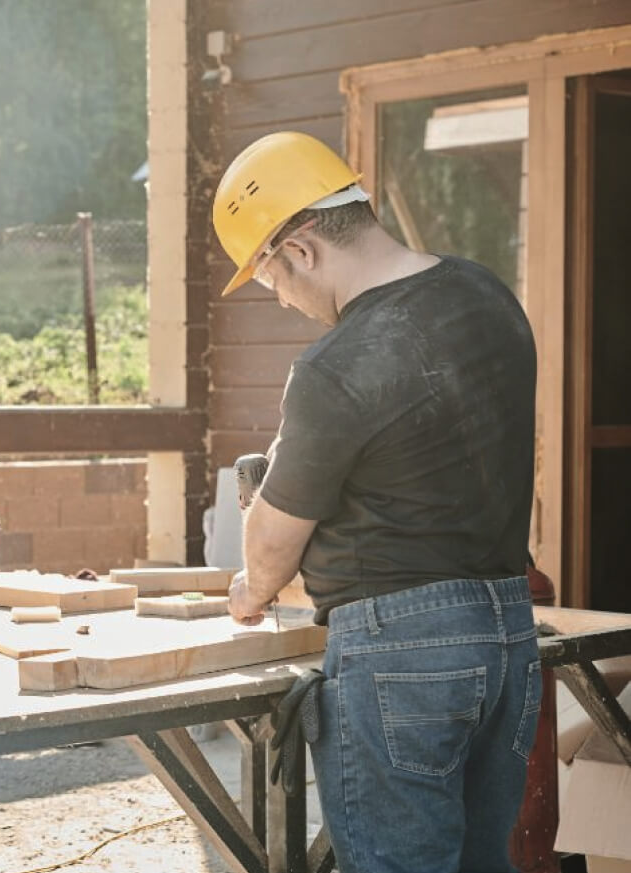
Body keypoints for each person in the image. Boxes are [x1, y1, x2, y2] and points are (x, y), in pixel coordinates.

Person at [214, 132, 540, 873]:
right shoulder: (489, 296)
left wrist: (247, 591)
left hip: (400, 652)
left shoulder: (339, 365)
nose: (286, 301)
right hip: (509, 632)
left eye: (273, 279)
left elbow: (268, 552)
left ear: (301, 248)